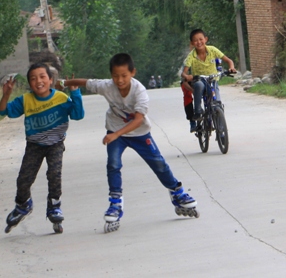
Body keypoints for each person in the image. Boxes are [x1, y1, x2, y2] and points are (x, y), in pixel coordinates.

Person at [63, 53, 198, 232]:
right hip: (115, 131)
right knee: (113, 164)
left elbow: (137, 120)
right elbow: (87, 82)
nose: (119, 80)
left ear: (133, 73)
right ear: (111, 75)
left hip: (139, 133)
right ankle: (115, 202)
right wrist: (62, 83)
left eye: (124, 75)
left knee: (158, 163)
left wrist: (116, 134)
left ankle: (177, 192)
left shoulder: (139, 91)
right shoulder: (107, 86)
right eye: (115, 76)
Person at [0, 61, 84, 233]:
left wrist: (75, 92)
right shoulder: (26, 100)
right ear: (29, 84)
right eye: (33, 78)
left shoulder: (60, 98)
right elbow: (3, 111)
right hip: (34, 145)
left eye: (43, 77)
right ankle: (23, 205)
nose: (39, 81)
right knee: (24, 179)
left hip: (55, 143)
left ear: (51, 80)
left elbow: (78, 114)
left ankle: (54, 205)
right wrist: (6, 94)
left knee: (54, 173)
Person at [181, 29, 236, 130]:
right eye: (195, 40)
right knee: (199, 85)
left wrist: (231, 67)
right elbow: (184, 72)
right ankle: (198, 111)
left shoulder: (212, 50)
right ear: (192, 43)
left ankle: (221, 130)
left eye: (201, 39)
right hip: (199, 80)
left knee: (218, 103)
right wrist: (187, 76)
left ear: (205, 39)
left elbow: (228, 60)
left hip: (212, 80)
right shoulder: (191, 56)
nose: (199, 42)